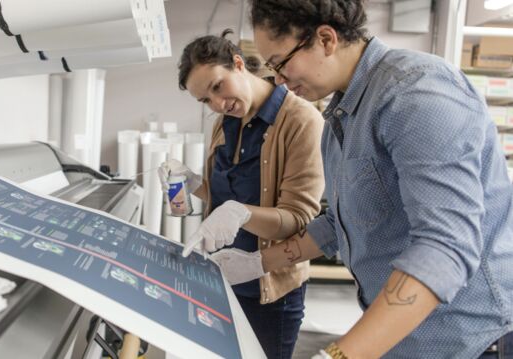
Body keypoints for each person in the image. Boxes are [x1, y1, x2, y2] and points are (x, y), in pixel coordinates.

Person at [209, 1, 513, 358]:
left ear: (325, 39)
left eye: (281, 62)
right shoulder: (343, 116)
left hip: (470, 342)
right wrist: (259, 263)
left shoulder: (415, 92)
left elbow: (445, 246)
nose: (279, 79)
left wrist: (339, 355)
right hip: (403, 338)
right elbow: (341, 224)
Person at [159, 29, 325, 358]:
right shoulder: (224, 121)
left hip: (269, 290)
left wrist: (242, 213)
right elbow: (224, 197)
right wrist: (193, 182)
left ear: (238, 64)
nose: (218, 103)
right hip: (220, 277)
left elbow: (297, 219)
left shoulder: (301, 120)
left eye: (218, 86)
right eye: (205, 100)